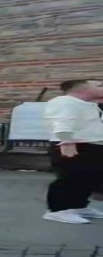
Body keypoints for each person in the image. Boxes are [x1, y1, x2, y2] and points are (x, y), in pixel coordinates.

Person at [42, 79, 103, 224]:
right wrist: (66, 141)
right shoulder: (64, 101)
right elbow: (62, 121)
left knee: (88, 177)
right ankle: (57, 210)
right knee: (69, 177)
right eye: (99, 85)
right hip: (73, 145)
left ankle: (77, 206)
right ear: (83, 89)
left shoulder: (88, 104)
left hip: (91, 144)